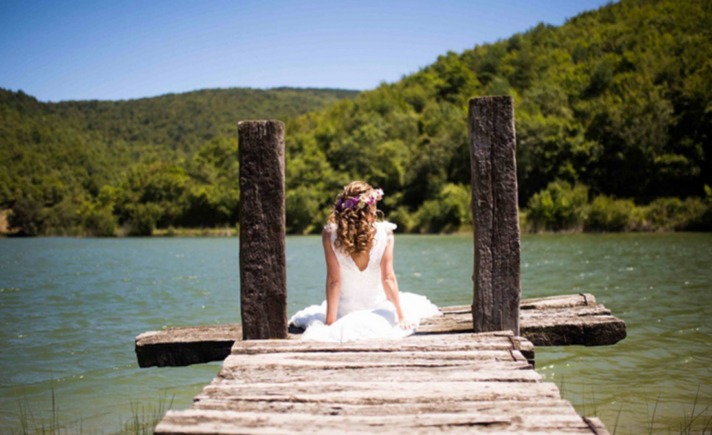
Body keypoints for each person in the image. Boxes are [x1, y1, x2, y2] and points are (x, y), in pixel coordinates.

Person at [289, 181, 441, 342]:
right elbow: (388, 278)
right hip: (378, 312)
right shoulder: (386, 233)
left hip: (344, 313)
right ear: (371, 207)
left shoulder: (329, 234)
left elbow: (334, 281)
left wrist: (330, 323)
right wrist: (401, 316)